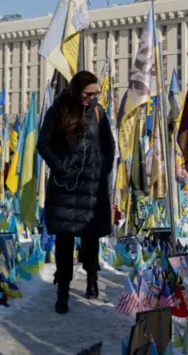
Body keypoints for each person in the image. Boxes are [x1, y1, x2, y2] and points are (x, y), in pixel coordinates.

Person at [37, 70, 115, 314]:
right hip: (66, 188)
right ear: (75, 89)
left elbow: (108, 143)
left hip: (93, 186)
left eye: (95, 93)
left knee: (91, 236)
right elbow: (43, 144)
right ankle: (63, 291)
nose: (91, 97)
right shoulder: (59, 110)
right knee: (65, 240)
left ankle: (92, 278)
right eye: (87, 93)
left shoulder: (98, 112)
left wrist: (103, 168)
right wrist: (60, 168)